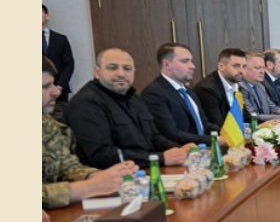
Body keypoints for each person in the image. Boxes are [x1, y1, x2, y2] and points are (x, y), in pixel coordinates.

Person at [64, 48, 193, 168]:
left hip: (144, 170)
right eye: (112, 68)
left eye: (127, 68)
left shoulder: (133, 98)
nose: (121, 74)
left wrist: (178, 150)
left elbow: (154, 137)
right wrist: (160, 158)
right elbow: (101, 155)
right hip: (110, 178)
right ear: (97, 72)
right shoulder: (86, 102)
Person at [42, 57, 136, 209]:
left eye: (53, 84)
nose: (56, 92)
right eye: (45, 86)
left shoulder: (46, 122)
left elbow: (67, 166)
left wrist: (102, 176)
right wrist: (89, 187)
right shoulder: (86, 102)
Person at [142, 43, 217, 146]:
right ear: (167, 64)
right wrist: (213, 140)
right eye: (185, 61)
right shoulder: (154, 93)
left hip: (203, 151)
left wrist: (226, 133)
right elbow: (171, 134)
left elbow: (203, 123)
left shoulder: (189, 91)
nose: (193, 66)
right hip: (180, 152)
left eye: (191, 61)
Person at [193, 48, 248, 128]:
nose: (241, 71)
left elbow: (245, 116)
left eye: (244, 66)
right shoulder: (207, 90)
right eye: (236, 66)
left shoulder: (235, 84)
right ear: (221, 67)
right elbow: (218, 124)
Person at [240, 50, 280, 120]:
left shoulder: (260, 86)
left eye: (263, 68)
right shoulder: (240, 88)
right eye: (257, 68)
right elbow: (252, 116)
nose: (262, 72)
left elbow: (273, 108)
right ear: (244, 69)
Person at [43, 4, 75, 104]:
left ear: (47, 16)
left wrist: (59, 86)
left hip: (59, 91)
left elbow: (69, 64)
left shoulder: (61, 39)